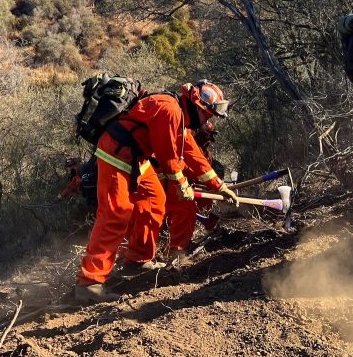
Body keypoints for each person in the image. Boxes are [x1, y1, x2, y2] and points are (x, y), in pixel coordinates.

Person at [75, 79, 236, 304]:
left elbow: (191, 153)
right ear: (197, 107)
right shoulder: (169, 110)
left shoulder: (179, 117)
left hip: (136, 158)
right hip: (116, 155)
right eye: (207, 115)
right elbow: (168, 157)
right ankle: (89, 282)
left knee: (154, 200)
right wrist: (182, 185)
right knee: (116, 213)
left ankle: (137, 260)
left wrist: (219, 186)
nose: (207, 120)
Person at [161, 123, 234, 263]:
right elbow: (189, 164)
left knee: (188, 207)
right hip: (167, 178)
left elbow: (202, 166)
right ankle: (175, 251)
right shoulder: (184, 135)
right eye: (207, 136)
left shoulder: (204, 150)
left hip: (181, 182)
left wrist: (218, 185)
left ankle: (171, 244)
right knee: (184, 208)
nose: (208, 140)